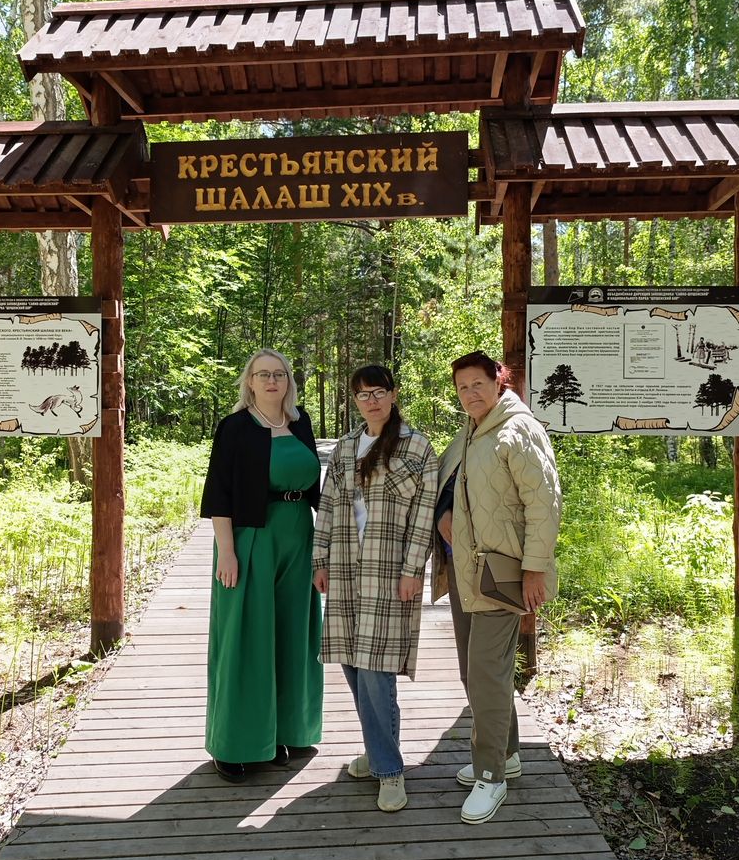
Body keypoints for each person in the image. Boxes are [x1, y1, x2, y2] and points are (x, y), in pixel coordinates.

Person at [432, 350, 562, 824]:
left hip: (503, 576)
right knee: (475, 674)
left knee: (486, 676)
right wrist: (442, 517)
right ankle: (506, 754)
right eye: (461, 386)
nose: (469, 393)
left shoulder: (517, 429)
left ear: (499, 380)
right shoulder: (470, 430)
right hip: (468, 574)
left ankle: (492, 777)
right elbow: (445, 485)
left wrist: (535, 570)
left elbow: (544, 504)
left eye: (477, 384)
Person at [313, 366, 438, 813]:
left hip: (389, 572)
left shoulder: (416, 446)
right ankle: (377, 747)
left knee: (376, 670)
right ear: (355, 400)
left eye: (379, 392)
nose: (372, 401)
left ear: (394, 394)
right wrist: (319, 559)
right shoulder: (347, 446)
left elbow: (424, 517)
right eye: (363, 395)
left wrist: (412, 571)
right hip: (346, 569)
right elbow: (327, 505)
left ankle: (389, 771)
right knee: (351, 663)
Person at [200, 349, 324, 782]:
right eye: (262, 374)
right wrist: (227, 550)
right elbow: (219, 493)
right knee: (246, 639)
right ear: (249, 382)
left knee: (293, 633)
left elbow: (315, 488)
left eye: (279, 374)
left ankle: (286, 730)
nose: (271, 381)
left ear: (288, 381)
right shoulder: (235, 427)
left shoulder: (301, 421)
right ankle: (235, 743)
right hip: (251, 538)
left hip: (298, 537)